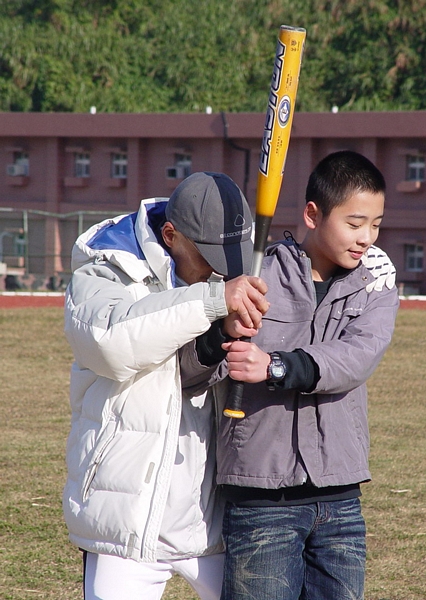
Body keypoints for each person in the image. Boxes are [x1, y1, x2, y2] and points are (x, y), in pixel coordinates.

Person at [62, 171, 269, 600]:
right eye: (209, 255)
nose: (221, 270)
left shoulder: (224, 279)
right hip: (125, 522)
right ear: (171, 236)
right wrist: (213, 302)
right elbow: (111, 343)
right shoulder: (106, 269)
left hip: (211, 518)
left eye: (231, 254)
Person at [210, 151, 399, 600]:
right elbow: (205, 365)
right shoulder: (256, 276)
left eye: (376, 224)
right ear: (313, 215)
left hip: (341, 499)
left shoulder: (375, 283)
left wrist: (275, 365)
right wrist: (224, 331)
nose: (366, 238)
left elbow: (357, 357)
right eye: (355, 224)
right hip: (261, 501)